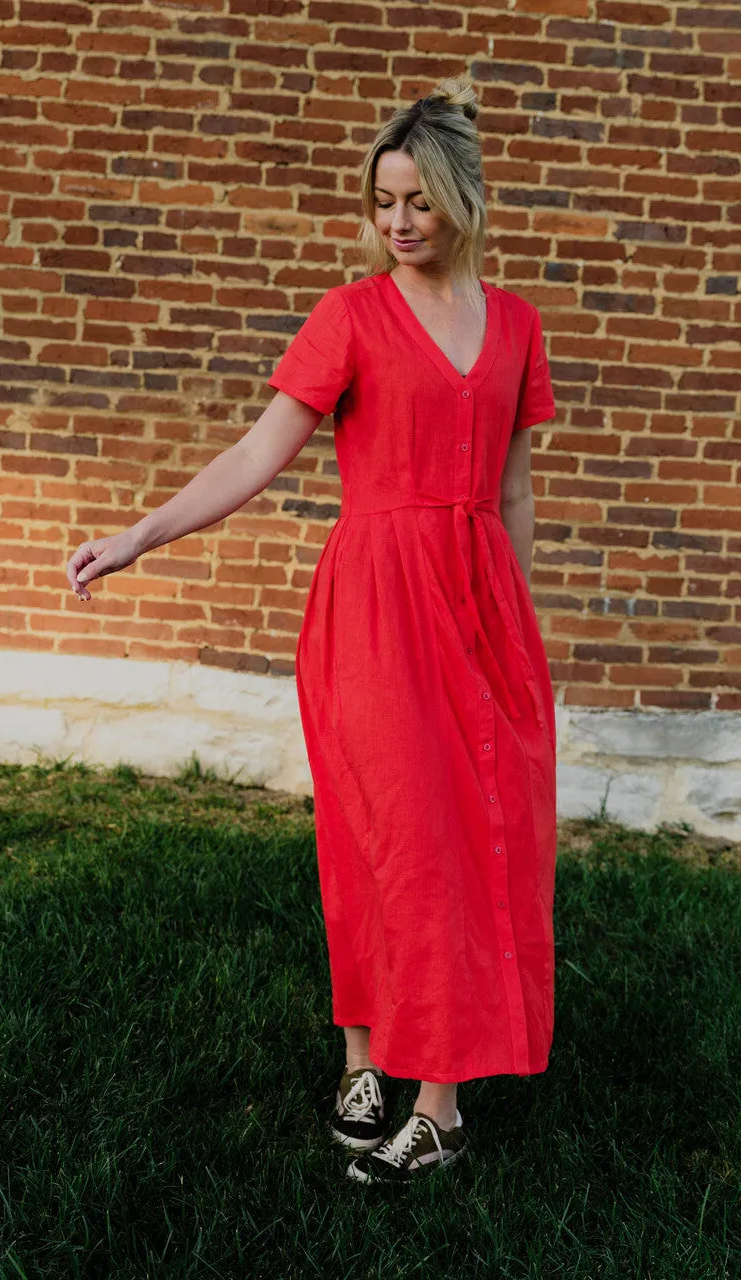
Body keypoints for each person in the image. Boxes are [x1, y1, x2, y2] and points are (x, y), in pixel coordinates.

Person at [65, 73, 558, 1186]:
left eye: (418, 201)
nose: (397, 222)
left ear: (461, 201)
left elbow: (518, 490)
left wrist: (516, 622)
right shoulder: (349, 316)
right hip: (376, 607)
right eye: (382, 201)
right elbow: (256, 453)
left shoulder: (518, 326)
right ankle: (365, 1057)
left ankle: (442, 1104)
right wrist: (140, 535)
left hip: (481, 607)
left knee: (472, 845)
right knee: (384, 836)